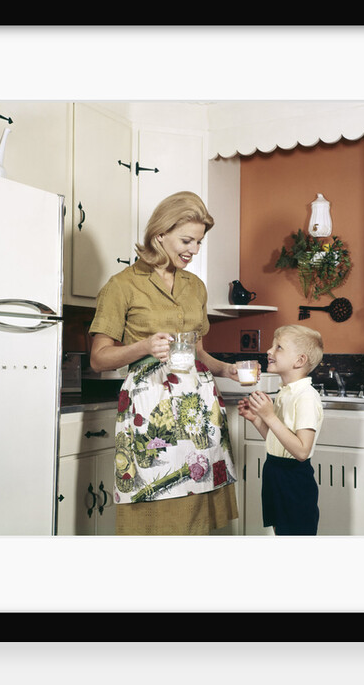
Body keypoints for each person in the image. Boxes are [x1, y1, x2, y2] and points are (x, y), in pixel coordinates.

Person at [88, 191, 240, 535]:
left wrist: (226, 369)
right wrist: (143, 345)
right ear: (160, 234)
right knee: (154, 497)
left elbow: (198, 352)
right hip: (150, 410)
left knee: (198, 504)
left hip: (198, 411)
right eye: (187, 240)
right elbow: (99, 358)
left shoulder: (195, 287)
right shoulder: (122, 286)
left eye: (199, 242)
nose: (194, 250)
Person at [238, 324, 324, 536]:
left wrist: (268, 416)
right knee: (281, 532)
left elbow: (302, 451)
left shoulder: (306, 396)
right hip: (274, 471)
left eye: (279, 347)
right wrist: (258, 420)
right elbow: (280, 441)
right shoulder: (285, 393)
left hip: (293, 479)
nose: (269, 351)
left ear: (299, 360)